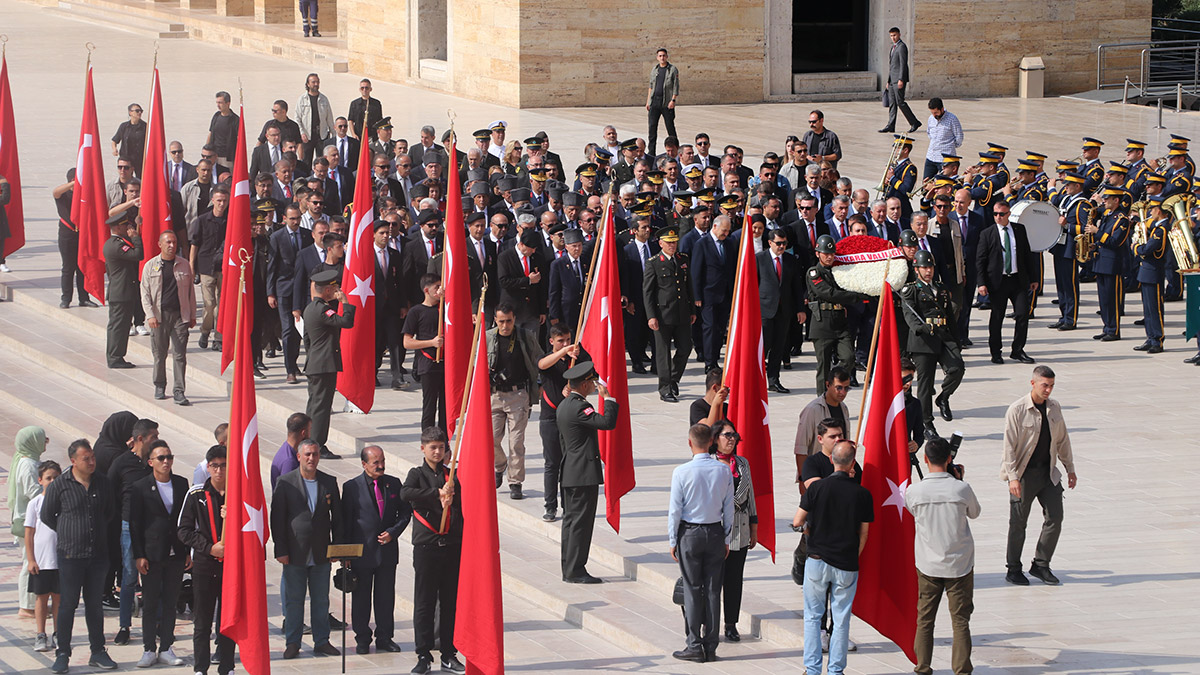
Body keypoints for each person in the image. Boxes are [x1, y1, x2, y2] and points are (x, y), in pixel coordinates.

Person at [793, 440, 873, 675]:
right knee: (841, 619)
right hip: (846, 562)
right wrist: (853, 555)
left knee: (812, 616)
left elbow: (798, 521)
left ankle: (812, 668)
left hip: (817, 559)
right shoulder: (862, 493)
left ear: (831, 460)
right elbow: (864, 532)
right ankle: (836, 670)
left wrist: (808, 532)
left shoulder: (816, 489)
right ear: (853, 464)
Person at [42, 439, 118, 673]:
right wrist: (70, 532)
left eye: (93, 457)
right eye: (86, 458)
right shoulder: (60, 485)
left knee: (94, 605)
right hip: (71, 555)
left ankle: (98, 651)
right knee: (67, 605)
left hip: (98, 556)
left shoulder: (103, 483)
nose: (92, 461)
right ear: (73, 461)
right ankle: (63, 652)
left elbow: (109, 513)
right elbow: (48, 516)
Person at [907, 437, 981, 675]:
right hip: (959, 564)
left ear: (925, 459)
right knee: (960, 621)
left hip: (928, 564)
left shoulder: (914, 491)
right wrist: (959, 480)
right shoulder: (961, 488)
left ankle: (923, 667)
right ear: (949, 459)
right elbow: (975, 512)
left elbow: (911, 510)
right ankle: (961, 670)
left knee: (925, 620)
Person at [1003, 366, 1077, 586]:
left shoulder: (1054, 407)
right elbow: (1009, 446)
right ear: (1033, 383)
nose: (1048, 390)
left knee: (1055, 517)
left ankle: (1041, 564)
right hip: (1024, 475)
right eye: (1045, 385)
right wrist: (1013, 477)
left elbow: (1062, 439)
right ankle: (1014, 568)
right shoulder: (1017, 410)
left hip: (1048, 473)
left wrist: (1070, 468)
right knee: (1018, 522)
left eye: (1052, 385)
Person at [401, 428, 467, 675]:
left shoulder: (452, 476)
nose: (437, 452)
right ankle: (423, 654)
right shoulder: (417, 474)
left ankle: (449, 653)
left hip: (450, 546)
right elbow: (406, 493)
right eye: (432, 447)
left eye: (441, 447)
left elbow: (462, 507)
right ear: (423, 449)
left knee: (449, 601)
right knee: (425, 602)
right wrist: (435, 494)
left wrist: (452, 499)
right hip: (427, 546)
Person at [667, 423, 734, 663]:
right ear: (712, 442)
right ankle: (711, 645)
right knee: (714, 591)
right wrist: (726, 537)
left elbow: (675, 510)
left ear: (689, 443)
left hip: (690, 533)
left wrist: (673, 539)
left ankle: (694, 644)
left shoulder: (681, 472)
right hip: (715, 532)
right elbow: (729, 508)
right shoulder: (724, 470)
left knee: (693, 590)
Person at [271, 439, 343, 658]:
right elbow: (277, 519)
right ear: (299, 457)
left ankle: (322, 640)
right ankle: (293, 642)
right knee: (294, 600)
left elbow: (337, 518)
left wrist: (337, 548)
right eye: (308, 454)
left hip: (321, 551)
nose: (312, 458)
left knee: (321, 599)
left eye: (315, 454)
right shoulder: (286, 482)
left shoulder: (329, 481)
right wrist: (280, 549)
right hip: (294, 552)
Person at [800, 419, 863, 652]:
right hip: (819, 537)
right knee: (820, 596)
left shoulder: (852, 464)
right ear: (820, 439)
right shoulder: (813, 462)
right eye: (832, 436)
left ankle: (838, 634)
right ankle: (821, 634)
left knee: (840, 596)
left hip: (845, 536)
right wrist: (842, 476)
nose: (838, 439)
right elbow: (814, 489)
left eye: (840, 436)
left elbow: (859, 494)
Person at [342, 445, 411, 654]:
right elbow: (345, 522)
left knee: (385, 598)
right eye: (375, 463)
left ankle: (384, 637)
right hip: (362, 553)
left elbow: (405, 513)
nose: (380, 466)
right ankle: (362, 638)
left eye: (382, 461)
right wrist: (346, 554)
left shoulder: (393, 484)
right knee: (361, 599)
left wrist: (393, 532)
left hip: (387, 552)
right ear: (364, 464)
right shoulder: (351, 487)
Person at [557, 362, 620, 583]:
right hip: (582, 473)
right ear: (584, 384)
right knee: (580, 524)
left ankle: (569, 567)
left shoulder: (564, 404)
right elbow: (607, 422)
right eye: (592, 383)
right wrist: (608, 398)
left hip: (570, 472)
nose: (594, 386)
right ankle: (576, 570)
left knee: (571, 523)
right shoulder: (579, 407)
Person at [129, 439, 189, 667]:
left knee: (171, 601)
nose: (166, 462)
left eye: (169, 457)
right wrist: (139, 554)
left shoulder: (182, 484)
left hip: (176, 553)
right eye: (161, 458)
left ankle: (166, 647)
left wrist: (187, 551)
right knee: (151, 602)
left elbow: (187, 519)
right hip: (151, 554)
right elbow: (135, 524)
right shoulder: (140, 487)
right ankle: (148, 648)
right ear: (150, 461)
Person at [177, 446, 234, 675]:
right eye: (215, 465)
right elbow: (184, 531)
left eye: (224, 464)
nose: (220, 470)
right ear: (208, 467)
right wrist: (210, 548)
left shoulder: (237, 495)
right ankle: (201, 668)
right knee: (202, 621)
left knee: (228, 620)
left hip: (230, 568)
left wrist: (234, 519)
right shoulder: (196, 494)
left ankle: (227, 666)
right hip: (204, 566)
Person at [900, 250, 965, 435]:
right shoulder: (910, 289)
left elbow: (950, 317)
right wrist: (921, 328)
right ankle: (927, 424)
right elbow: (909, 316)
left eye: (930, 267)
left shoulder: (941, 288)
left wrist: (956, 341)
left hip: (943, 336)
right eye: (924, 267)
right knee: (925, 385)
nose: (928, 271)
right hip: (923, 341)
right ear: (916, 269)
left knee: (957, 368)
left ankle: (943, 397)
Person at [107, 417, 159, 645]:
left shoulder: (155, 461)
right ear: (140, 439)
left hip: (152, 527)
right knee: (128, 577)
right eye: (153, 437)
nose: (156, 440)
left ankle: (156, 624)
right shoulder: (121, 463)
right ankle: (124, 626)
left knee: (153, 577)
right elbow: (110, 494)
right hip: (129, 526)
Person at [708, 420, 757, 643]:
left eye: (733, 435)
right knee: (712, 582)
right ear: (715, 438)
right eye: (726, 435)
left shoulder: (742, 463)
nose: (731, 439)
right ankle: (709, 623)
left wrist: (754, 529)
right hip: (715, 532)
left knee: (734, 579)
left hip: (740, 531)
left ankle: (731, 624)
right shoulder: (708, 463)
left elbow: (751, 499)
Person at [487, 303, 543, 500]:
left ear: (514, 319)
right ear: (495, 320)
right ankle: (499, 465)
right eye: (501, 321)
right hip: (494, 396)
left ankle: (515, 482)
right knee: (491, 440)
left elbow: (539, 359)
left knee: (516, 442)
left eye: (508, 321)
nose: (505, 326)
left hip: (518, 395)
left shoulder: (525, 337)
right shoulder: (488, 338)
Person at [975, 200, 1037, 365]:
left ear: (1009, 214)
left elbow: (1028, 255)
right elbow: (980, 260)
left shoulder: (1019, 229)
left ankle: (1018, 350)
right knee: (997, 317)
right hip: (998, 281)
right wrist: (981, 283)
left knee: (1023, 314)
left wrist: (1034, 278)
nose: (998, 217)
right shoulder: (987, 233)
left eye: (1002, 214)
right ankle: (996, 352)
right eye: (995, 214)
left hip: (1017, 280)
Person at [303, 268, 356, 459]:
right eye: (333, 288)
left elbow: (307, 340)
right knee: (321, 408)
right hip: (324, 365)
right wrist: (345, 302)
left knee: (315, 405)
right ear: (326, 291)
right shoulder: (322, 309)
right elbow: (346, 322)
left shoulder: (310, 308)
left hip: (316, 362)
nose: (336, 290)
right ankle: (317, 444)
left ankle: (309, 440)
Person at [807, 235, 870, 392]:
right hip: (822, 324)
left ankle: (834, 380)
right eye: (825, 253)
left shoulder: (839, 271)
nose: (829, 257)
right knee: (823, 365)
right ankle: (822, 402)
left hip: (840, 322)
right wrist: (856, 297)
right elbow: (829, 293)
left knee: (848, 358)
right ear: (817, 254)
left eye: (831, 253)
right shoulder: (814, 273)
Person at [140, 230, 196, 405]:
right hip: (159, 316)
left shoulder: (184, 265)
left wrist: (192, 315)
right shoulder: (150, 266)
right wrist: (150, 315)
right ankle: (159, 384)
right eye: (168, 243)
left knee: (180, 355)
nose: (172, 246)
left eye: (174, 242)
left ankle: (179, 391)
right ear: (160, 244)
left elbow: (191, 293)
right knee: (160, 354)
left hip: (179, 316)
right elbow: (145, 293)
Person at [537, 325, 586, 522]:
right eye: (561, 341)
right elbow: (541, 365)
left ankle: (568, 506)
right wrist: (564, 352)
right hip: (550, 417)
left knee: (570, 465)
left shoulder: (578, 358)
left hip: (572, 419)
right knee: (552, 464)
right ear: (552, 342)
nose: (566, 344)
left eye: (568, 340)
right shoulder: (550, 358)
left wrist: (576, 391)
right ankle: (550, 506)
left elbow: (590, 381)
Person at [643, 225, 695, 402]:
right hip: (662, 314)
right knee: (663, 352)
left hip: (682, 312)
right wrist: (651, 316)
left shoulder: (682, 259)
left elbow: (689, 287)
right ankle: (665, 388)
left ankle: (673, 379)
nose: (672, 246)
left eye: (674, 242)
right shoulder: (654, 262)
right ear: (660, 243)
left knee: (686, 348)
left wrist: (692, 310)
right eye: (669, 243)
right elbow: (648, 292)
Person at [759, 227, 806, 393]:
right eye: (778, 243)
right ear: (770, 242)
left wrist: (800, 309)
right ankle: (756, 381)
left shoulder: (790, 260)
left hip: (784, 310)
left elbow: (796, 287)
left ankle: (773, 380)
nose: (782, 246)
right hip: (764, 310)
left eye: (784, 243)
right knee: (763, 346)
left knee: (778, 347)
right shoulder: (759, 259)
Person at [25, 460, 62, 653]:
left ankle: (58, 633)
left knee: (58, 598)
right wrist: (31, 559)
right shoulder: (35, 503)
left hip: (60, 560)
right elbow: (29, 532)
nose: (52, 481)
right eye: (48, 478)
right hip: (41, 560)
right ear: (40, 480)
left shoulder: (64, 502)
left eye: (56, 477)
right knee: (41, 598)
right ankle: (41, 634)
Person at [11, 426, 47, 619]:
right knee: (29, 563)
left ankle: (34, 604)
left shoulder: (31, 461)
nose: (45, 442)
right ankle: (26, 607)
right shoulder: (27, 464)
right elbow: (32, 492)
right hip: (27, 521)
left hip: (32, 520)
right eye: (43, 439)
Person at [792, 366, 852, 482]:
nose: (843, 393)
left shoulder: (844, 408)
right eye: (838, 388)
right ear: (828, 385)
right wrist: (803, 478)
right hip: (817, 473)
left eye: (846, 388)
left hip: (839, 473)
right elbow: (801, 447)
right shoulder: (812, 410)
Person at [403, 274, 447, 431]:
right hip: (428, 364)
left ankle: (445, 441)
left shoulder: (445, 309)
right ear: (427, 290)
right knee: (429, 405)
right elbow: (407, 342)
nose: (441, 290)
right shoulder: (416, 311)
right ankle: (428, 439)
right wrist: (431, 343)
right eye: (437, 287)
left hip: (446, 363)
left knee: (446, 407)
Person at [103, 215, 144, 369]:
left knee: (121, 326)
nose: (128, 229)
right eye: (125, 226)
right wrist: (136, 238)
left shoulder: (114, 243)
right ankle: (115, 358)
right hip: (121, 292)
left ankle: (116, 356)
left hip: (121, 291)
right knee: (119, 326)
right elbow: (138, 255)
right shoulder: (116, 245)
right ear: (118, 228)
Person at [1089, 188, 1130, 341]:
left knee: (1112, 299)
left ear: (1116, 200)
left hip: (1113, 264)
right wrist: (1095, 244)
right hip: (1101, 261)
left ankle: (1114, 329)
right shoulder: (1108, 216)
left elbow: (1115, 241)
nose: (1104, 201)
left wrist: (1097, 232)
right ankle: (1107, 327)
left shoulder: (1122, 219)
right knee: (1104, 299)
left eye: (1107, 198)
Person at [192, 185, 228, 351]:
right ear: (213, 200)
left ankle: (218, 337)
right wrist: (192, 266)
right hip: (206, 266)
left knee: (222, 304)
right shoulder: (202, 219)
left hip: (223, 267)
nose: (221, 204)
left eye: (224, 201)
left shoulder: (230, 221)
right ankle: (205, 330)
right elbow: (195, 244)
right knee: (209, 303)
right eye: (219, 200)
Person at [51, 170, 95, 307]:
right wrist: (73, 184)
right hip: (67, 234)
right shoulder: (64, 195)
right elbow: (55, 192)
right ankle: (66, 298)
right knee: (68, 267)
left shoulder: (85, 195)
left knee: (82, 267)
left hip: (82, 234)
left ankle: (84, 298)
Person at [1133, 195, 1168, 353]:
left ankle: (1158, 340)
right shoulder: (1155, 227)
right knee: (1148, 309)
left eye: (1152, 209)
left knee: (1155, 309)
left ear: (1159, 211)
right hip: (1146, 272)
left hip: (1154, 272)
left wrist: (1136, 247)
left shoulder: (1161, 230)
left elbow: (1147, 249)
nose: (1150, 212)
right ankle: (1151, 337)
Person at [881, 27, 921, 134]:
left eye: (894, 35)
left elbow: (903, 65)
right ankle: (891, 125)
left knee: (900, 102)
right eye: (891, 36)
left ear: (899, 34)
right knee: (892, 103)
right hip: (892, 80)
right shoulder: (893, 48)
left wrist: (901, 79)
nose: (893, 38)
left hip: (898, 80)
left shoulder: (902, 47)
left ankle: (914, 122)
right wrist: (888, 81)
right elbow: (892, 66)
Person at [646, 48, 680, 157]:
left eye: (664, 56)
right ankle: (651, 153)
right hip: (654, 102)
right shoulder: (655, 70)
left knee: (670, 127)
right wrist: (648, 101)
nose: (662, 58)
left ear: (667, 57)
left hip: (667, 102)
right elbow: (651, 86)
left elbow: (676, 86)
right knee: (652, 128)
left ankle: (675, 150)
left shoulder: (672, 70)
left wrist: (673, 100)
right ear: (657, 57)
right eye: (660, 56)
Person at [922, 99, 963, 179]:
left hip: (945, 158)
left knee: (944, 184)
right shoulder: (931, 119)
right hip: (931, 156)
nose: (934, 115)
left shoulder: (952, 119)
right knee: (926, 184)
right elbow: (929, 133)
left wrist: (950, 146)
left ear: (942, 109)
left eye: (936, 112)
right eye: (932, 113)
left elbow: (959, 137)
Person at [271, 412, 312, 488]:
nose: (310, 435)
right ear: (303, 433)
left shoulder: (286, 448)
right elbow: (289, 491)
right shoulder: (289, 462)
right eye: (309, 430)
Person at [111, 103, 146, 177]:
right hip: (126, 158)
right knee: (126, 177)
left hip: (140, 159)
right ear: (130, 112)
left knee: (140, 179)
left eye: (141, 111)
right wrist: (114, 149)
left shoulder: (145, 127)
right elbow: (114, 141)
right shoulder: (124, 126)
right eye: (137, 111)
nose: (139, 113)